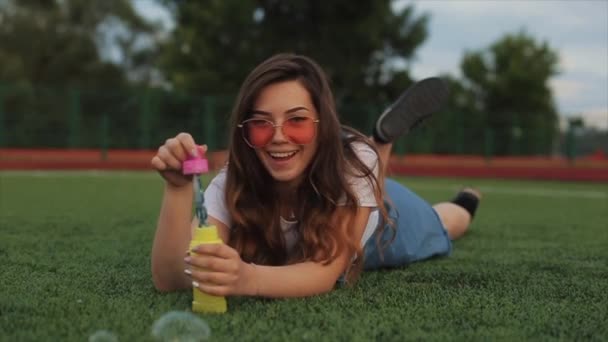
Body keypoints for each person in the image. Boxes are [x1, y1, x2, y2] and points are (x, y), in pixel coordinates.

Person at [150, 53, 481, 298]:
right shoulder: (232, 180)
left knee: (448, 223)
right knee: (366, 174)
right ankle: (380, 146)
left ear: (324, 125)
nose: (278, 136)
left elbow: (323, 272)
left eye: (297, 120)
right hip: (352, 179)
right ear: (245, 133)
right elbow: (172, 279)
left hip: (371, 212)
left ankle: (452, 189)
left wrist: (246, 278)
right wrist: (178, 189)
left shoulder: (352, 165)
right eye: (261, 123)